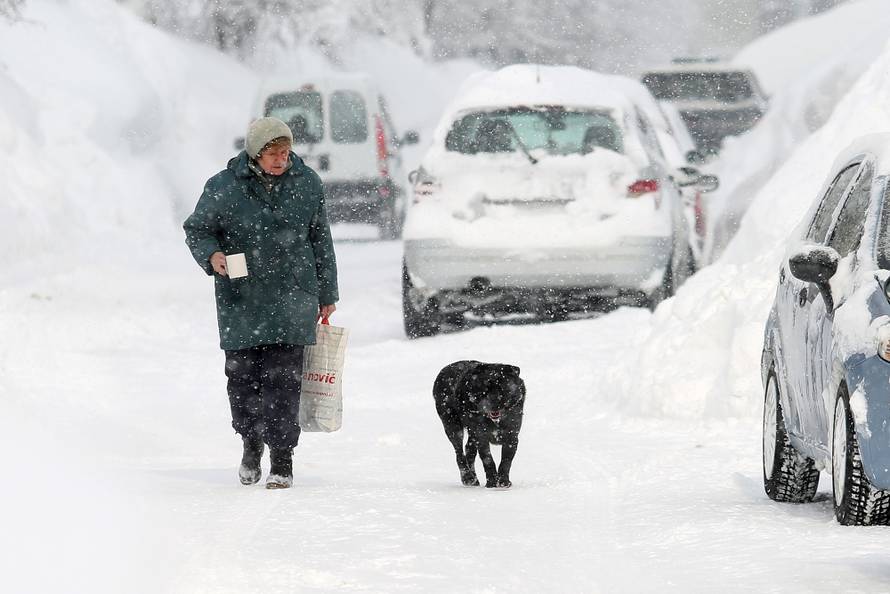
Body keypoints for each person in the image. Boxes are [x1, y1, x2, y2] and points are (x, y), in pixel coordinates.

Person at [183, 117, 338, 490]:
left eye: (285, 153)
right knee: (242, 380)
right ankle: (251, 444)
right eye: (273, 154)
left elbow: (321, 240)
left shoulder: (307, 183)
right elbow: (198, 228)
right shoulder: (223, 187)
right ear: (256, 152)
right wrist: (213, 256)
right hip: (242, 300)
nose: (281, 160)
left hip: (293, 297)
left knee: (284, 381)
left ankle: (282, 459)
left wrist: (327, 293)